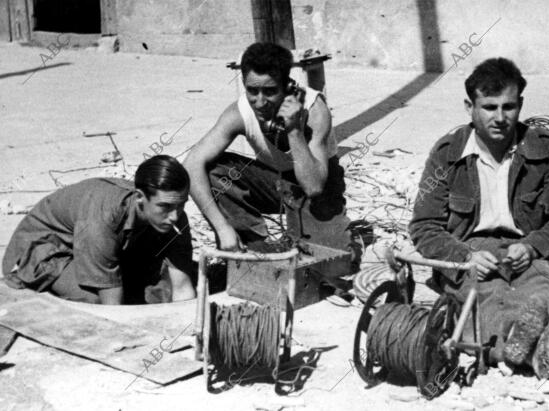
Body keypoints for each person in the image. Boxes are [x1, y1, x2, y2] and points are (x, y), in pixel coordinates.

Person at [409, 57, 549, 378]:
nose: (500, 118)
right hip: (472, 251)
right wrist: (465, 255)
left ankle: (528, 343)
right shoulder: (447, 153)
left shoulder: (545, 150)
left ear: (521, 105)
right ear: (469, 106)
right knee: (485, 295)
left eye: (509, 107)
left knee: (541, 286)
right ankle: (526, 352)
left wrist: (533, 246)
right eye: (489, 107)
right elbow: (424, 226)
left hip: (530, 248)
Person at [184, 42, 353, 258]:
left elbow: (314, 187)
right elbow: (191, 164)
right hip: (276, 182)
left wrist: (294, 131)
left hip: (318, 188)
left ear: (288, 86)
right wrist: (221, 227)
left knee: (326, 267)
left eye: (270, 91)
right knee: (214, 171)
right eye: (252, 90)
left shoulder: (314, 109)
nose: (260, 102)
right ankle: (253, 251)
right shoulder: (240, 111)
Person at [2, 155, 196, 305]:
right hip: (48, 249)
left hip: (95, 244)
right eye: (165, 207)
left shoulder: (176, 218)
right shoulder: (104, 218)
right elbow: (112, 307)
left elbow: (182, 288)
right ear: (139, 197)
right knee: (96, 302)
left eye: (181, 205)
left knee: (161, 291)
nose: (174, 216)